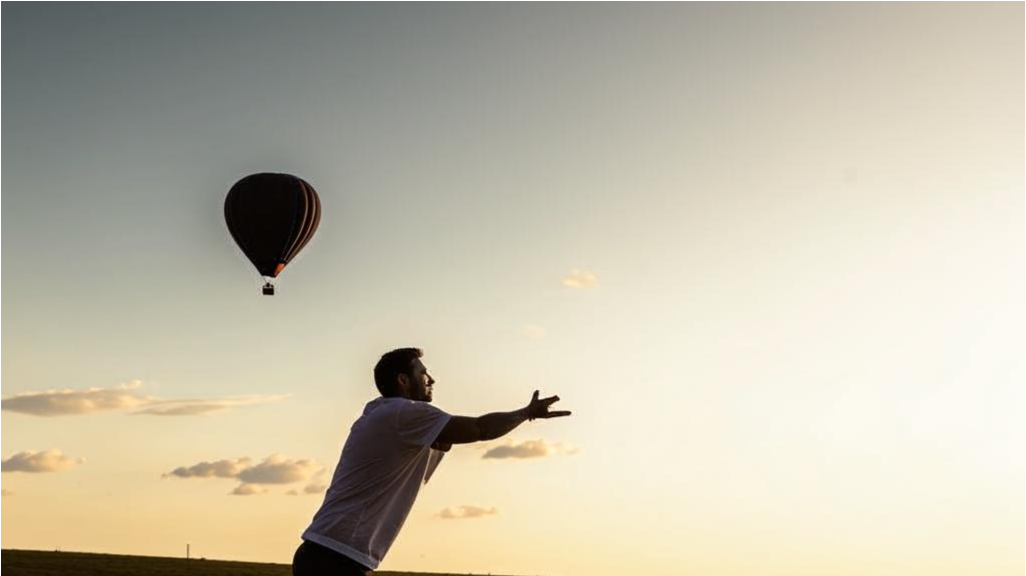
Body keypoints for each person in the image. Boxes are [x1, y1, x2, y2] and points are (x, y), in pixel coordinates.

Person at [293, 348, 571, 575]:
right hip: (335, 558)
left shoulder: (384, 414)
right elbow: (480, 429)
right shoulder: (402, 414)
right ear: (403, 380)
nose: (432, 380)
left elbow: (445, 439)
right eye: (423, 374)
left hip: (328, 554)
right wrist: (526, 413)